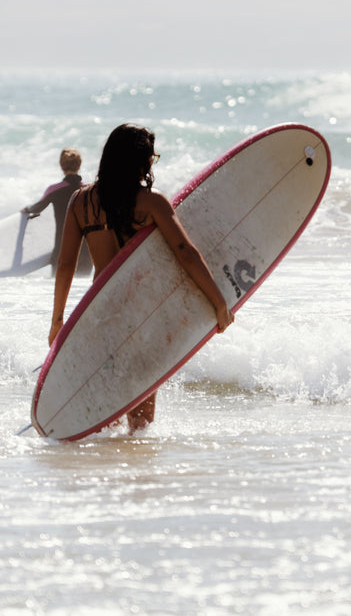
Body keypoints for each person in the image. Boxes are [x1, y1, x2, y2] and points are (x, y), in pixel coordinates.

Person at [49, 124, 234, 431]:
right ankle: (134, 468)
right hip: (140, 317)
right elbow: (185, 252)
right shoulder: (151, 202)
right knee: (141, 422)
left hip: (98, 316)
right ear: (140, 161)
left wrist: (58, 320)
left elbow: (66, 264)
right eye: (151, 157)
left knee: (106, 411)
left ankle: (104, 465)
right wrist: (219, 302)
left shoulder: (81, 202)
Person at [22, 148, 92, 276]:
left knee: (59, 292)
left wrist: (27, 209)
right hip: (86, 252)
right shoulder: (89, 190)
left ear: (61, 166)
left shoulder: (54, 190)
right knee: (81, 292)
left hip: (62, 249)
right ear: (79, 165)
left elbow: (37, 207)